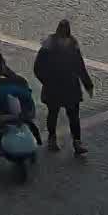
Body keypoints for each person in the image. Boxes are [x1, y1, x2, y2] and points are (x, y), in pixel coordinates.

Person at [33, 19, 95, 155]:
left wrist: (88, 84)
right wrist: (47, 81)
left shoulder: (70, 44)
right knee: (55, 113)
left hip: (67, 86)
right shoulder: (53, 46)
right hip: (57, 85)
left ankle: (75, 141)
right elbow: (38, 67)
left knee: (71, 115)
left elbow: (79, 66)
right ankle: (54, 139)